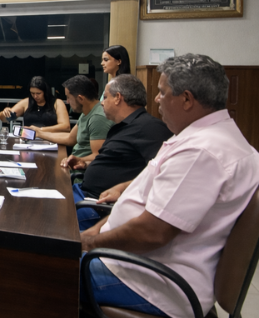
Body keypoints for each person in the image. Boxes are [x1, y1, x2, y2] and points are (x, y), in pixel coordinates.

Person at [81, 54, 259, 317]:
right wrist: (96, 233)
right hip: (139, 265)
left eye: (162, 92)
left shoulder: (202, 151)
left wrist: (92, 242)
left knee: (39, 270)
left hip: (147, 281)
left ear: (187, 99)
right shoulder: (210, 137)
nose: (156, 99)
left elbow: (152, 233)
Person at [64, 75, 172, 230]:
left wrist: (122, 189)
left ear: (118, 98)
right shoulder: (120, 126)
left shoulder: (150, 128)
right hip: (83, 193)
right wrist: (86, 164)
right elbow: (117, 162)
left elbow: (160, 176)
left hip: (97, 207)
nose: (101, 102)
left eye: (106, 97)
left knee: (44, 221)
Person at [30, 75, 113, 165]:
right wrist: (39, 133)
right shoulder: (87, 112)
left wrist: (74, 159)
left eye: (68, 97)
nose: (68, 101)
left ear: (80, 98)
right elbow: (70, 138)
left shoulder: (97, 118)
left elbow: (98, 155)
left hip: (81, 172)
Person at [0, 76, 70, 132]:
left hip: (51, 140)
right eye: (32, 93)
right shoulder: (26, 102)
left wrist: (40, 130)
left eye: (38, 93)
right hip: (29, 140)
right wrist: (4, 113)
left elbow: (65, 127)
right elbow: (6, 118)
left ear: (45, 92)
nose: (35, 96)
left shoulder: (57, 103)